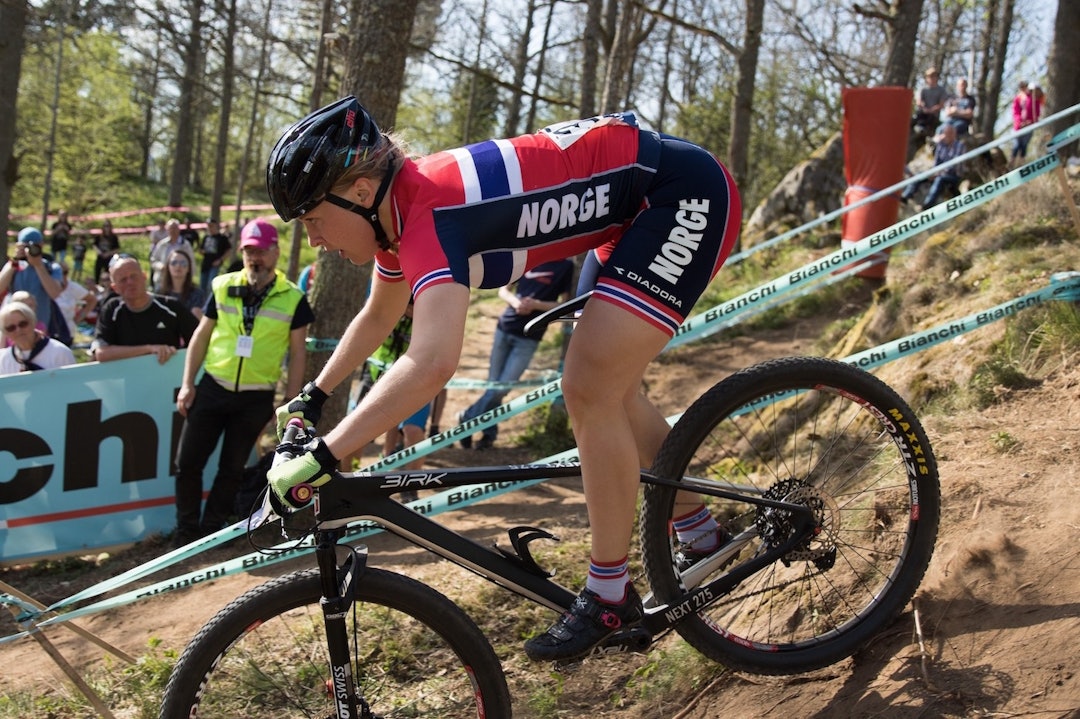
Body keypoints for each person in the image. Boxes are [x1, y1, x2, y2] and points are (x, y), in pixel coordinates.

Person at [264, 97, 742, 662]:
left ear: (362, 192)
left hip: (680, 193)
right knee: (609, 388)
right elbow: (378, 314)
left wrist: (324, 453)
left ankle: (609, 593)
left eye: (313, 219)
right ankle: (700, 533)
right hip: (632, 209)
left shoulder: (430, 214)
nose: (314, 240)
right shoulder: (397, 212)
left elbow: (431, 362)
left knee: (590, 385)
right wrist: (314, 395)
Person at [173, 219, 313, 545]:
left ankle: (212, 530)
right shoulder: (222, 285)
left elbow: (297, 353)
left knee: (232, 468)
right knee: (187, 463)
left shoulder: (293, 298)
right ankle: (186, 532)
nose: (255, 258)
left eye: (261, 251)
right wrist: (188, 383)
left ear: (276, 252)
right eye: (249, 251)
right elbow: (200, 337)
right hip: (212, 387)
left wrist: (291, 399)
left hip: (256, 397)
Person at [458, 258, 575, 450]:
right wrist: (516, 302)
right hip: (504, 327)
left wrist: (536, 304)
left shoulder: (566, 267)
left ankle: (467, 418)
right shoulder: (531, 255)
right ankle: (488, 434)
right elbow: (503, 291)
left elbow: (564, 305)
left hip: (530, 337)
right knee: (494, 386)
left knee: (501, 389)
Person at [343, 300, 429, 502]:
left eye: (415, 304)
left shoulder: (428, 317)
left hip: (413, 380)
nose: (410, 309)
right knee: (354, 431)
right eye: (408, 304)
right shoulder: (390, 307)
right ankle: (348, 481)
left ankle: (411, 487)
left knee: (413, 431)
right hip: (375, 374)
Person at [91, 255, 198, 364]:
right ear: (115, 288)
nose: (130, 282)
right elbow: (101, 353)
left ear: (144, 277)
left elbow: (199, 340)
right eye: (123, 280)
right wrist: (149, 349)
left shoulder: (171, 307)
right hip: (126, 373)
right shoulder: (111, 310)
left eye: (134, 276)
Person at [0, 228, 64, 334]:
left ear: (41, 245)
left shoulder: (51, 267)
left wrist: (39, 265)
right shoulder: (13, 265)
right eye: (25, 246)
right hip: (11, 324)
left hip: (38, 324)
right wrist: (15, 261)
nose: (30, 249)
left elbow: (55, 293)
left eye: (35, 246)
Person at [902, 122, 966, 210]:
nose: (945, 136)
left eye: (948, 134)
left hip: (953, 175)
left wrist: (938, 173)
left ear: (953, 134)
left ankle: (927, 205)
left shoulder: (959, 146)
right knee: (921, 175)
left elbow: (955, 165)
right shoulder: (941, 145)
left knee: (939, 179)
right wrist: (933, 173)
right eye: (945, 134)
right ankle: (906, 196)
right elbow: (937, 162)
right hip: (939, 172)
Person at [0, 301, 75, 374]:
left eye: (23, 324)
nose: (18, 330)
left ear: (33, 322)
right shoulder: (3, 359)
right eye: (11, 328)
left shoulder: (59, 352)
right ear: (5, 333)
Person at [149, 219, 197, 291]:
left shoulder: (185, 245)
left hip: (180, 282)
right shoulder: (162, 244)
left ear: (179, 230)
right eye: (170, 229)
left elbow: (191, 262)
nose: (172, 231)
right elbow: (153, 260)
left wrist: (190, 277)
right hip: (162, 280)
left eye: (175, 228)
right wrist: (160, 266)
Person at [159, 248, 207, 319]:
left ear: (189, 268)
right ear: (168, 267)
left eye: (183, 263)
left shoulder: (197, 294)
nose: (178, 266)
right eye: (174, 263)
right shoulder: (160, 292)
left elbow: (195, 321)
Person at [54, 263, 98, 339]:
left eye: (65, 272)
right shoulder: (46, 286)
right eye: (59, 273)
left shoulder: (73, 287)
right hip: (48, 330)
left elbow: (92, 300)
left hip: (67, 331)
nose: (63, 276)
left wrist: (77, 319)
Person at [198, 218, 232, 291]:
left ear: (216, 226)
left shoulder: (222, 238)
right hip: (205, 264)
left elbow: (229, 250)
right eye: (208, 226)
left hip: (214, 265)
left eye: (211, 226)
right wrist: (202, 251)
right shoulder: (206, 237)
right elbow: (201, 249)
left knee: (211, 285)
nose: (209, 228)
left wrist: (220, 260)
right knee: (202, 286)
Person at [912, 67, 947, 134]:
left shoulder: (941, 90)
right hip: (922, 113)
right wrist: (924, 108)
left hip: (934, 115)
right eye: (930, 76)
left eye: (934, 76)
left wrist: (931, 110)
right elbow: (919, 101)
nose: (932, 78)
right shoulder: (922, 89)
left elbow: (941, 105)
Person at [93, 219, 122, 285]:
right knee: (97, 271)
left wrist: (108, 253)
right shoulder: (99, 237)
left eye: (108, 226)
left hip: (109, 258)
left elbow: (117, 249)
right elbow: (94, 245)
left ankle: (107, 285)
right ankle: (97, 284)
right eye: (105, 226)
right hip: (100, 257)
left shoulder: (113, 237)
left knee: (108, 273)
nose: (107, 228)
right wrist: (99, 252)